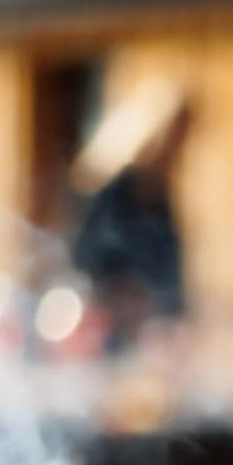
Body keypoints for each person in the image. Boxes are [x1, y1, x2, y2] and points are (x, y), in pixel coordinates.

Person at [71, 80, 194, 351]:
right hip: (107, 334)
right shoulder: (112, 195)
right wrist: (125, 296)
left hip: (154, 336)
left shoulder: (162, 199)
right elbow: (85, 261)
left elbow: (172, 274)